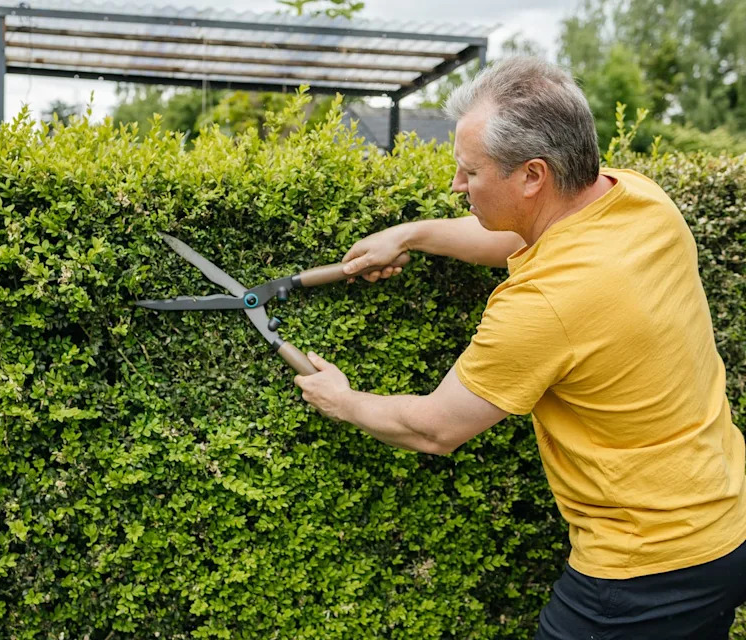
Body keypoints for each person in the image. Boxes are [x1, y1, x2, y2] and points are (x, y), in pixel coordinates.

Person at [293, 56, 746, 639]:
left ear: (533, 175)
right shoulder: (636, 199)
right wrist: (412, 234)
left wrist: (342, 399)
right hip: (728, 516)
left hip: (647, 565)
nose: (457, 186)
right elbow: (523, 232)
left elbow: (435, 427)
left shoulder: (544, 302)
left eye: (469, 172)